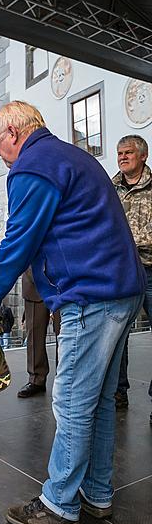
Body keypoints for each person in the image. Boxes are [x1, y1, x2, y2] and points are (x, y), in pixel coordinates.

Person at [0, 101, 145, 524]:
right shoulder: (69, 155)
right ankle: (97, 492)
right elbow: (59, 226)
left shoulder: (32, 166)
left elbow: (24, 238)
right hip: (121, 287)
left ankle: (59, 504)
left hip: (90, 293)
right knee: (99, 400)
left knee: (71, 401)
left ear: (13, 133)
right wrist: (1, 250)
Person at [112, 135, 152, 410]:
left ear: (143, 156)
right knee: (116, 336)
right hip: (121, 270)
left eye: (128, 152)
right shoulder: (109, 188)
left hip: (150, 269)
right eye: (119, 153)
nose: (123, 157)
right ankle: (118, 392)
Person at [18, 267, 60, 398]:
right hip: (33, 279)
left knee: (64, 334)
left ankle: (65, 379)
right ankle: (36, 379)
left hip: (62, 282)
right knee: (34, 333)